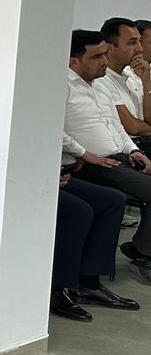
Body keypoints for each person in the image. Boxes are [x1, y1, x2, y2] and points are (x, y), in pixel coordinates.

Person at [64, 29, 151, 283]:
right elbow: (55, 130)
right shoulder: (63, 87)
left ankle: (142, 249)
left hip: (120, 157)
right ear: (74, 62)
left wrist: (133, 150)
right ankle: (143, 253)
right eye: (97, 56)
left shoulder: (101, 86)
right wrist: (84, 153)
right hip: (93, 163)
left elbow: (118, 127)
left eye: (104, 55)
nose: (104, 61)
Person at [52, 165, 132, 320]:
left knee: (113, 200)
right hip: (27, 174)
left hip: (58, 170)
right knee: (79, 211)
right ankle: (56, 289)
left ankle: (88, 284)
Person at [97, 16, 151, 145]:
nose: (139, 48)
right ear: (109, 48)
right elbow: (133, 127)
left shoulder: (133, 77)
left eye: (139, 42)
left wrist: (147, 84)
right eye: (132, 43)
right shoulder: (101, 79)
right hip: (131, 147)